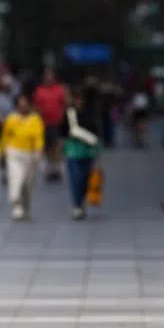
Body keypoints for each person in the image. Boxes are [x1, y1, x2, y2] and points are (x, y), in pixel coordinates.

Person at [0, 93, 45, 220]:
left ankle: (26, 205)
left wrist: (38, 151)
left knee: (27, 183)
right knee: (16, 179)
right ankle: (16, 204)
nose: (23, 107)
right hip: (14, 153)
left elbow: (38, 137)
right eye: (20, 105)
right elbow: (5, 137)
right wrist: (2, 153)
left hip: (29, 154)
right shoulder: (11, 119)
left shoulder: (35, 119)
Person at [61, 86, 101, 220]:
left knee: (85, 178)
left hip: (87, 151)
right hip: (73, 150)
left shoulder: (90, 112)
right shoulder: (69, 113)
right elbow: (64, 131)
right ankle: (77, 205)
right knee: (75, 177)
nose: (78, 101)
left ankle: (81, 201)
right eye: (76, 98)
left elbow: (96, 130)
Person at [33, 67, 69, 182]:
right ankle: (49, 169)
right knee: (46, 147)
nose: (49, 78)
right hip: (43, 123)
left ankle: (57, 168)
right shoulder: (39, 90)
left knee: (56, 146)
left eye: (51, 76)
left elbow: (65, 104)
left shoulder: (60, 89)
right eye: (47, 76)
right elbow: (36, 106)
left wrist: (62, 116)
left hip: (56, 123)